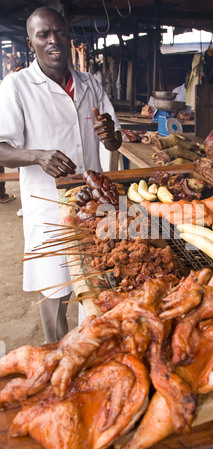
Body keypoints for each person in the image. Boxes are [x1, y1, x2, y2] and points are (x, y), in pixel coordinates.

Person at [0, 7, 122, 343]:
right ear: (31, 43)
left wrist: (109, 133)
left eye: (60, 32)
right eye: (44, 34)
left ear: (68, 36)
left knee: (97, 282)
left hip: (93, 204)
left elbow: (115, 141)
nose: (54, 40)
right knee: (54, 289)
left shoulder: (90, 83)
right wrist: (37, 155)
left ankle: (91, 348)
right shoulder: (17, 86)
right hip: (49, 206)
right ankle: (58, 352)